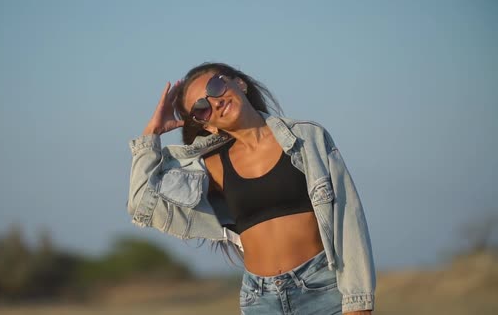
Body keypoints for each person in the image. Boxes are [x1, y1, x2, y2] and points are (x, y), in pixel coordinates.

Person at [127, 62, 376, 314]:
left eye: (216, 86)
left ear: (240, 84)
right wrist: (152, 133)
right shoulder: (212, 167)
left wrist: (358, 301)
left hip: (322, 288)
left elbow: (347, 216)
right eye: (202, 108)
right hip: (260, 300)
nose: (215, 102)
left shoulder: (306, 137)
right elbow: (141, 203)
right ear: (207, 125)